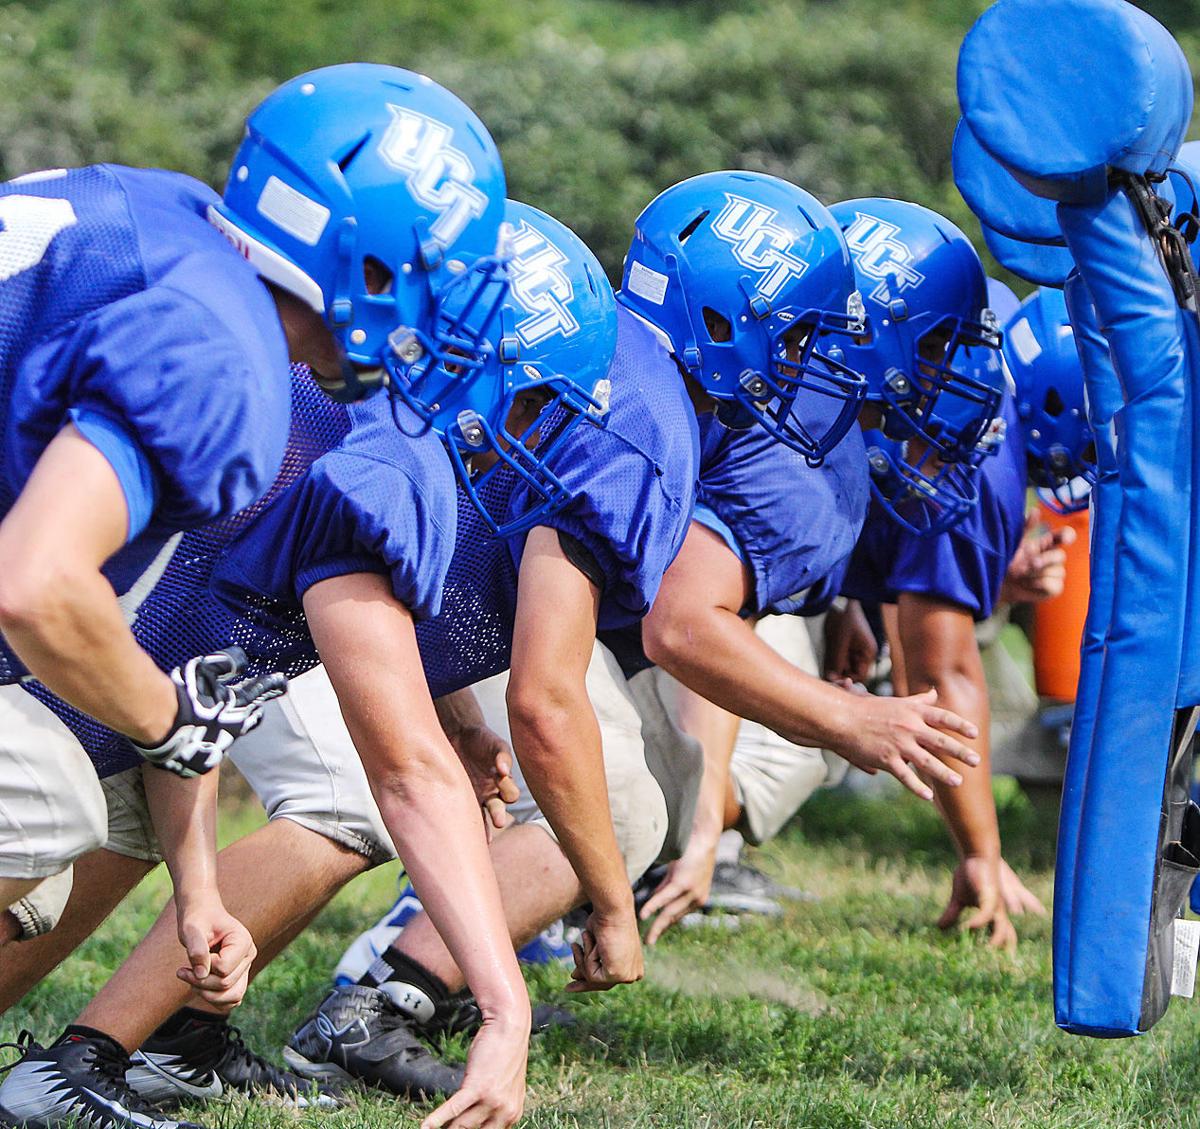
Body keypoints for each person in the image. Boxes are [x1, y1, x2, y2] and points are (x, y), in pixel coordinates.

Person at [326, 174, 988, 1080]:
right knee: (602, 803)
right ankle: (378, 996)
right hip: (435, 579)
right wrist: (845, 721)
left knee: (618, 796)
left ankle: (417, 982)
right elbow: (678, 625)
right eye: (807, 330)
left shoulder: (714, 397)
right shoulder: (723, 434)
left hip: (464, 577)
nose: (813, 357)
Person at [0, 65, 539, 1129]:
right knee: (50, 790)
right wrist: (171, 724)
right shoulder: (233, 359)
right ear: (364, 257)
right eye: (434, 277)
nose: (433, 322)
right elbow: (38, 586)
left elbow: (172, 665)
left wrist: (199, 884)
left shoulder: (180, 229)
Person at [639, 197, 1018, 940]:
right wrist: (849, 720)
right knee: (622, 804)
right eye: (940, 343)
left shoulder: (816, 420)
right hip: (530, 619)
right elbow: (690, 620)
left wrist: (836, 597)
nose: (957, 368)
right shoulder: (805, 443)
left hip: (583, 621)